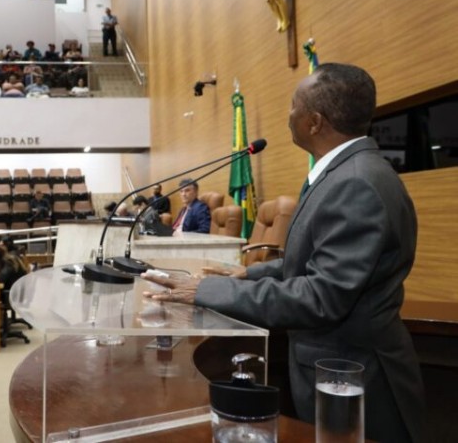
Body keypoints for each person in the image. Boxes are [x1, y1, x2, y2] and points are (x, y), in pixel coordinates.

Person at [144, 63, 426, 443]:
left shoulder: (356, 183)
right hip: (336, 366)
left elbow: (321, 297)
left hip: (353, 378)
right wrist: (248, 275)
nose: (287, 115)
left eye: (293, 106)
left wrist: (206, 292)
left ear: (314, 121)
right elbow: (315, 261)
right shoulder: (345, 173)